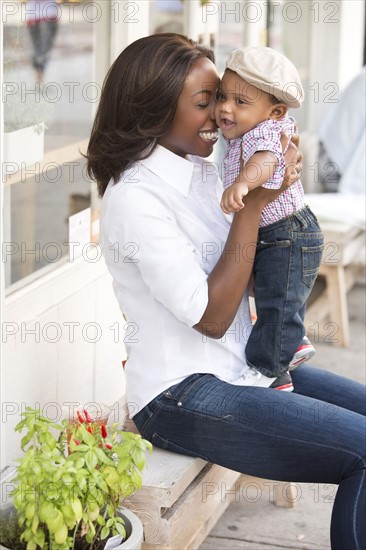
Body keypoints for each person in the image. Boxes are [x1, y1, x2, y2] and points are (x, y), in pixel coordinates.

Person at [87, 34, 366, 550]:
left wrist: (280, 194)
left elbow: (249, 267)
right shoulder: (136, 197)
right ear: (153, 111)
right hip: (181, 395)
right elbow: (211, 317)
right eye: (205, 102)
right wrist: (257, 205)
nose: (220, 113)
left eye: (224, 98)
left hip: (243, 367)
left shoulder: (202, 169)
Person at [215, 46, 324, 392]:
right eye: (221, 97)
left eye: (240, 102)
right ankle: (296, 342)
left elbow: (268, 161)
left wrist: (244, 183)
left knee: (277, 300)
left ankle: (267, 372)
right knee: (275, 294)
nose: (225, 108)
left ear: (274, 110)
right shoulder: (251, 125)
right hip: (278, 231)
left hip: (287, 232)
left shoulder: (265, 131)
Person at [25, 0, 59, 82]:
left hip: (43, 13)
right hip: (37, 13)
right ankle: (39, 73)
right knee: (40, 47)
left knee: (43, 47)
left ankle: (39, 72)